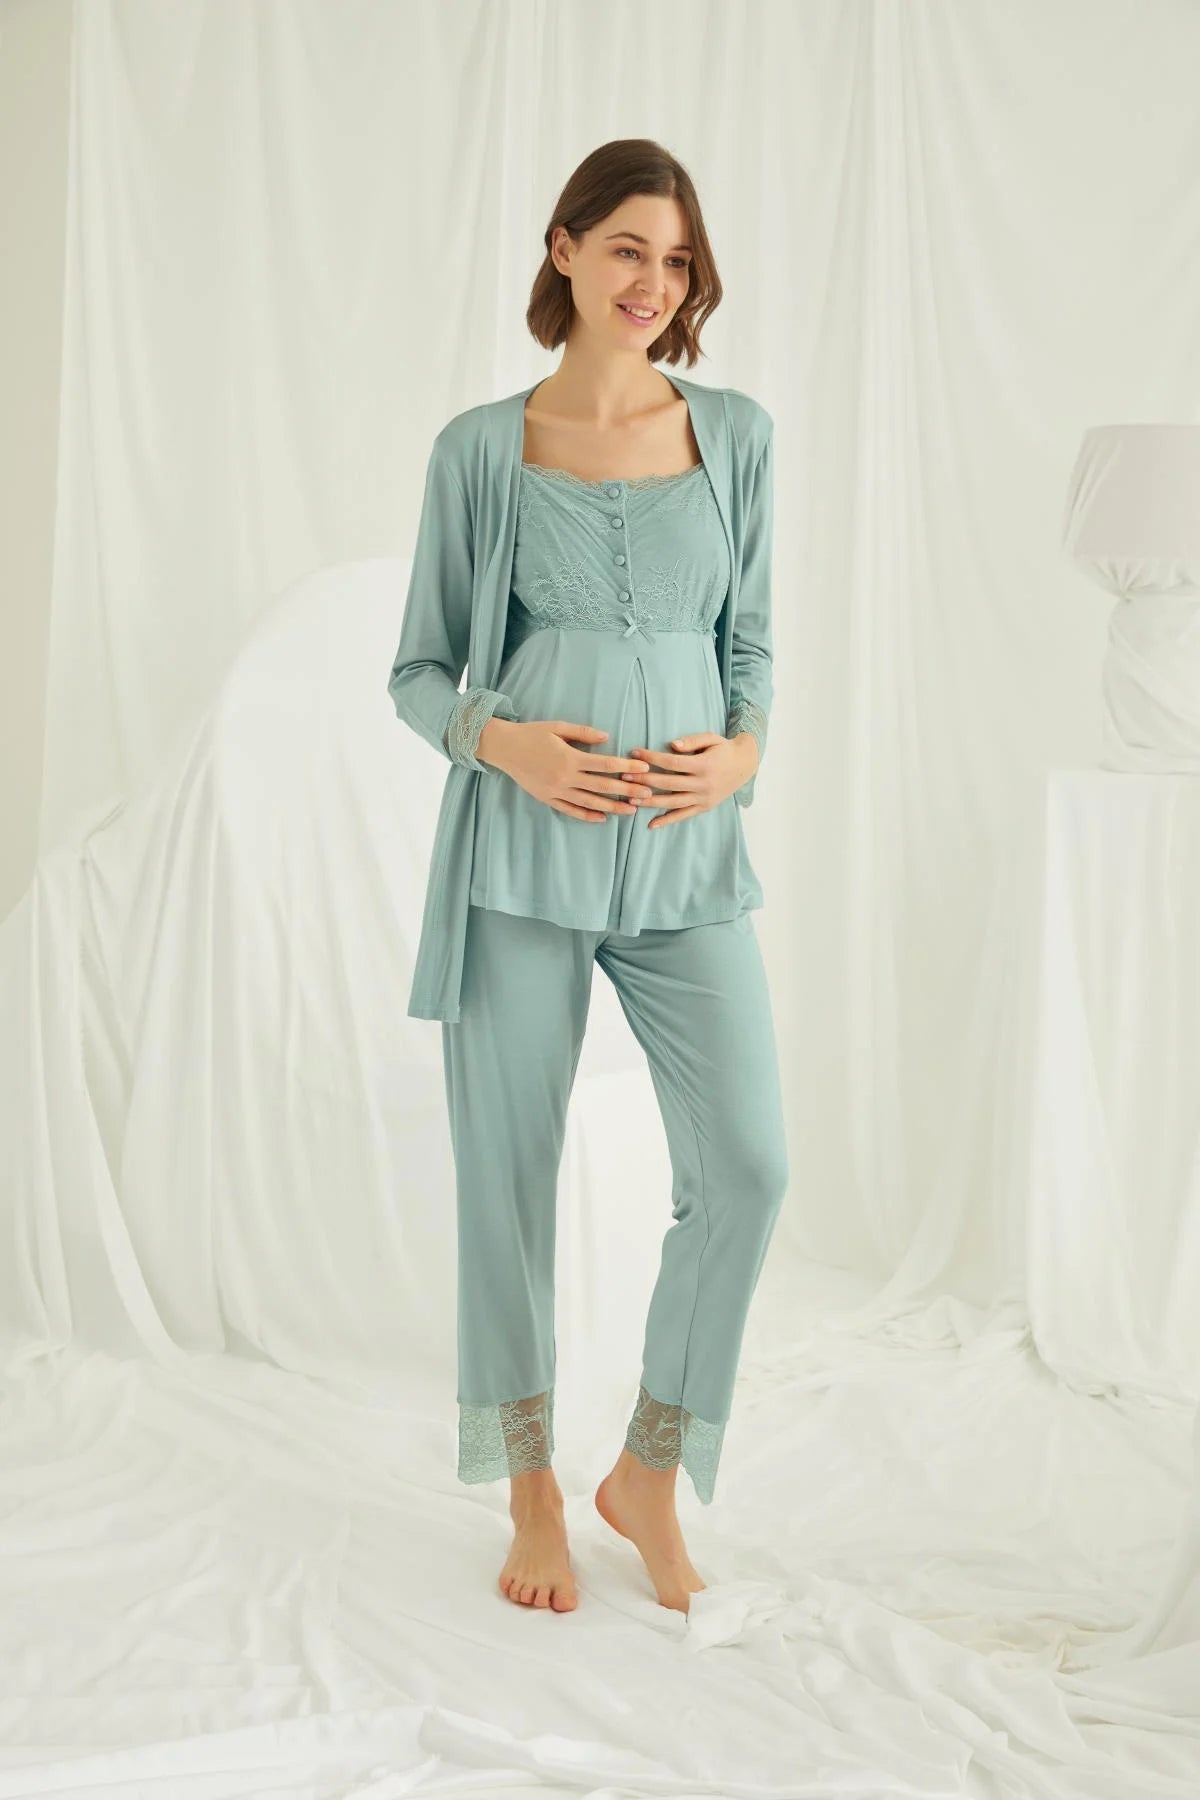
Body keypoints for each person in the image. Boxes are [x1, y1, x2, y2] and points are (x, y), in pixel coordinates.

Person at [387, 139, 788, 1617]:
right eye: (628, 249)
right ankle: (532, 1491)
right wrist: (505, 745)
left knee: (749, 1166)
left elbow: (753, 644)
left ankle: (649, 1474)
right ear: (563, 249)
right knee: (509, 1180)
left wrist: (742, 757)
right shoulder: (480, 450)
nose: (654, 283)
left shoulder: (735, 435)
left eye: (677, 261)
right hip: (521, 857)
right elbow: (419, 671)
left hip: (688, 858)